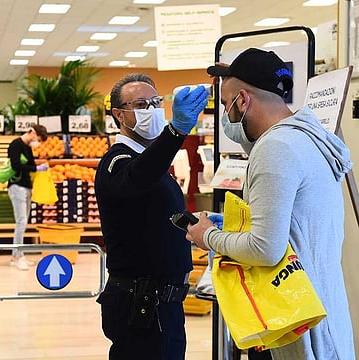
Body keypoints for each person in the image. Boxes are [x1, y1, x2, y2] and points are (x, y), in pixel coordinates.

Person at [186, 48, 355, 359]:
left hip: (296, 318)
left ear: (243, 100)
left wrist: (207, 236)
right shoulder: (310, 138)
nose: (227, 116)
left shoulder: (275, 147)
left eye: (226, 105)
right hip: (323, 305)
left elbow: (265, 249)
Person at [94, 73, 209, 360]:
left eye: (157, 102)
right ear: (119, 114)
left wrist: (199, 223)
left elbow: (155, 213)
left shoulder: (152, 162)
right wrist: (176, 131)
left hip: (164, 304)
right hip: (140, 304)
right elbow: (137, 178)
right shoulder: (118, 161)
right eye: (142, 104)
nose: (152, 110)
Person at [8, 124, 48, 270]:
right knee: (21, 222)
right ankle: (17, 256)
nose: (36, 142)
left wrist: (40, 165)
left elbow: (30, 164)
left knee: (23, 222)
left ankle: (17, 254)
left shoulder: (27, 147)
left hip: (26, 187)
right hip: (16, 186)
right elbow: (16, 165)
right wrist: (36, 168)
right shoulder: (15, 145)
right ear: (32, 132)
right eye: (37, 138)